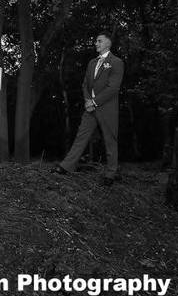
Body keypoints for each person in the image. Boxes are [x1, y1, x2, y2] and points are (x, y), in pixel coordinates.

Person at [52, 31, 124, 185]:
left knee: (110, 140)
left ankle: (111, 174)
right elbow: (85, 84)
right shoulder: (92, 63)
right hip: (90, 108)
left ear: (108, 43)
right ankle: (66, 166)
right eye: (96, 41)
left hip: (107, 109)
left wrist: (95, 102)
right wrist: (87, 101)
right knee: (81, 136)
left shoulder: (116, 62)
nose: (96, 43)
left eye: (99, 41)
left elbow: (113, 88)